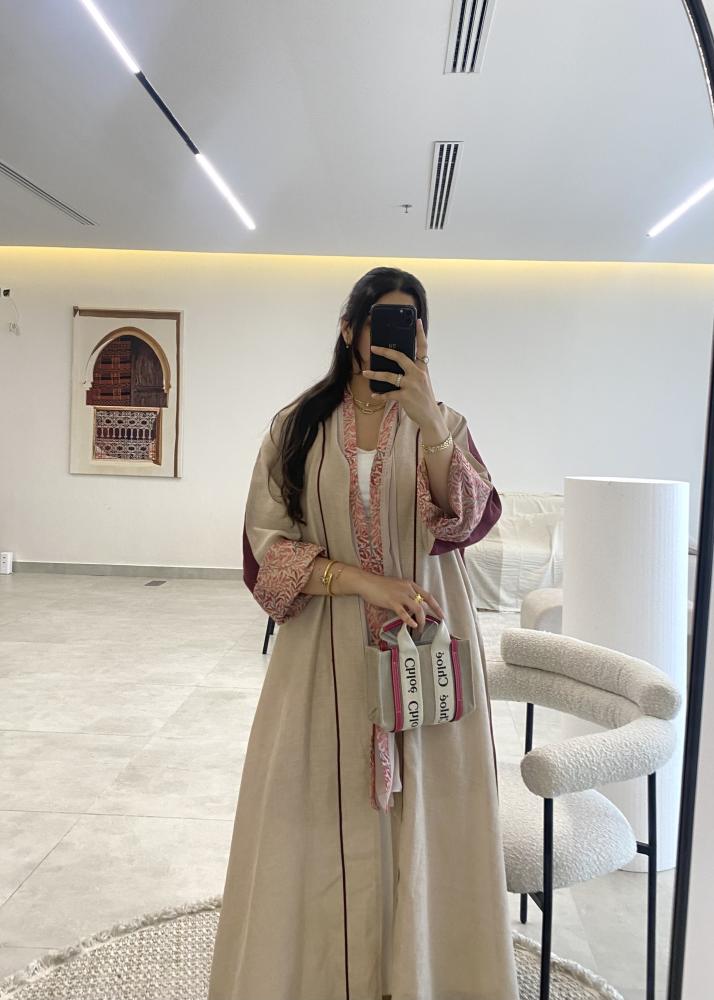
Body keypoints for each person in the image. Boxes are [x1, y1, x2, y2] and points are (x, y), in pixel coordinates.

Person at [208, 267, 519, 1000]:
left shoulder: (445, 423)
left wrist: (431, 424)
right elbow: (267, 552)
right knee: (316, 807)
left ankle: (425, 976)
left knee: (432, 812)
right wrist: (362, 581)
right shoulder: (297, 426)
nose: (397, 335)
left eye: (412, 321)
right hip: (323, 654)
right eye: (382, 319)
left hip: (426, 649)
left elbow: (467, 520)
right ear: (349, 328)